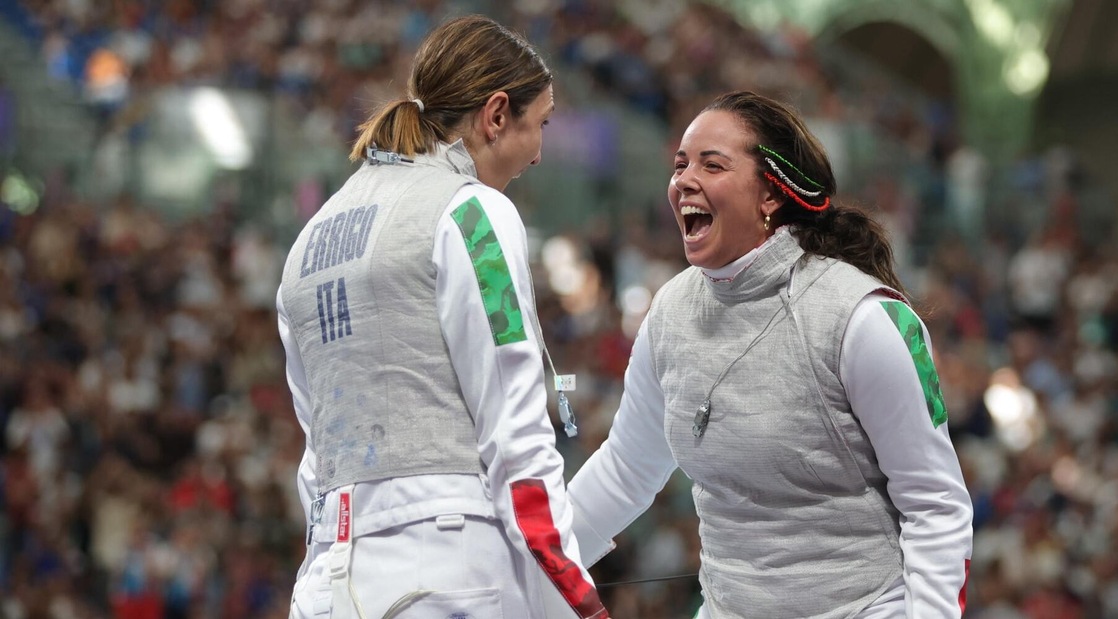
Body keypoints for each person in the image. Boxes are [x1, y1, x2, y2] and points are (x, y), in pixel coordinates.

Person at [566, 91, 974, 618]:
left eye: (712, 165)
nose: (684, 180)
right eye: (681, 164)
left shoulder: (865, 318)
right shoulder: (669, 311)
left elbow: (936, 505)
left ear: (769, 196)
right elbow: (626, 469)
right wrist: (533, 559)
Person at [276, 15, 608, 619]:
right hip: (444, 574)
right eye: (542, 124)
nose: (539, 153)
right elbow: (516, 435)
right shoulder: (474, 215)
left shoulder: (309, 240)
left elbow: (316, 455)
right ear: (497, 114)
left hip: (325, 582)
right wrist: (579, 599)